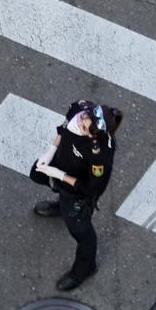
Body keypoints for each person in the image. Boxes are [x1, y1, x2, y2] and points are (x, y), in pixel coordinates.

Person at [30, 100, 121, 291]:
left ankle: (85, 267)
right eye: (85, 116)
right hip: (62, 163)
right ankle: (61, 206)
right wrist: (52, 149)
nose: (81, 120)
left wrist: (61, 176)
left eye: (85, 126)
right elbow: (65, 124)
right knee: (39, 176)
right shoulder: (81, 108)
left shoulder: (100, 154)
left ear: (93, 136)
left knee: (81, 231)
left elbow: (91, 189)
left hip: (76, 188)